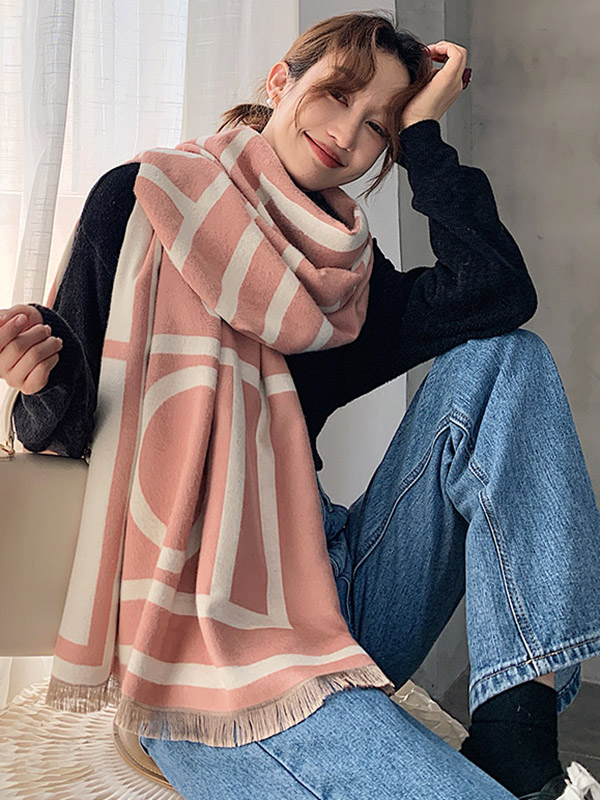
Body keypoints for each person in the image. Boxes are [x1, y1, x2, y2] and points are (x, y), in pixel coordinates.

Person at [1, 10, 599, 800]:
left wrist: (425, 136)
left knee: (507, 359)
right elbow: (69, 430)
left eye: (378, 125)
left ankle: (516, 743)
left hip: (336, 590)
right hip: (195, 642)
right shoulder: (140, 201)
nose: (347, 134)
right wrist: (39, 380)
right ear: (282, 80)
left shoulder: (345, 278)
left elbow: (497, 295)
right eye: (337, 94)